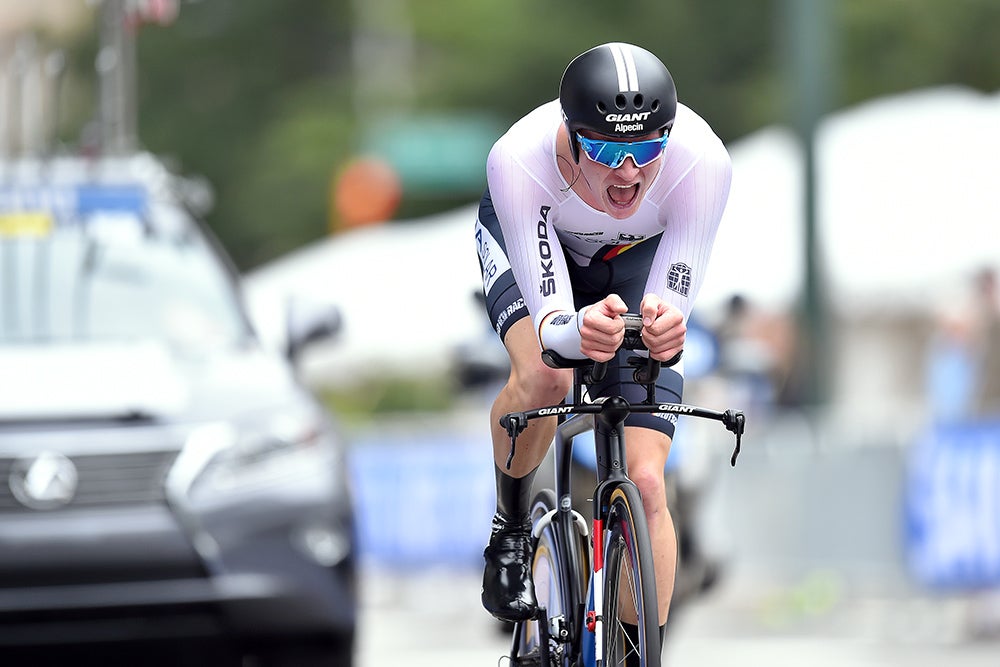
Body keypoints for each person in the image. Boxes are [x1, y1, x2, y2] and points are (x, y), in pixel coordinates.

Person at [473, 41, 733, 643]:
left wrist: (666, 328)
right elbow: (554, 327)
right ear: (570, 136)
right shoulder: (519, 159)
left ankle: (638, 650)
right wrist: (575, 332)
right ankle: (510, 529)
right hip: (538, 252)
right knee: (548, 375)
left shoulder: (703, 161)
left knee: (646, 483)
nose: (627, 173)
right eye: (607, 150)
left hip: (634, 263)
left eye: (646, 150)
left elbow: (672, 301)